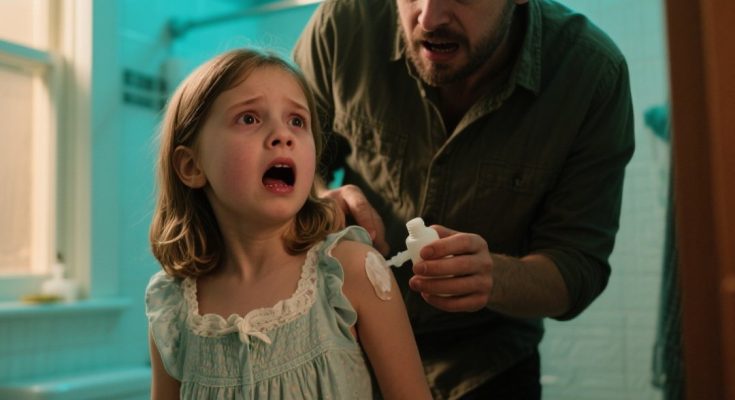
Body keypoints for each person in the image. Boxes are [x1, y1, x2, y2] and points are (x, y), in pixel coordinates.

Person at [293, 0, 635, 398]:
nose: (428, 18)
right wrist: (319, 200)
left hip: (485, 368)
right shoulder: (342, 24)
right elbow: (288, 162)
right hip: (346, 349)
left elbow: (578, 266)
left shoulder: (593, 75)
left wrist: (494, 278)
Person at [145, 48, 432, 399]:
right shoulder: (172, 310)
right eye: (249, 118)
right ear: (192, 166)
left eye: (297, 121)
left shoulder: (351, 272)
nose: (283, 134)